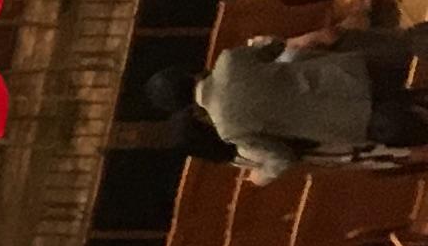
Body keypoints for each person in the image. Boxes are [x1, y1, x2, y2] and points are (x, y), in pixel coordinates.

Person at [158, 29, 428, 182]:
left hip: (350, 120)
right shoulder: (228, 61)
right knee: (409, 58)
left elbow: (283, 158)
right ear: (190, 72)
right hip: (345, 75)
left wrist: (261, 176)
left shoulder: (229, 130)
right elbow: (277, 46)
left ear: (189, 110)